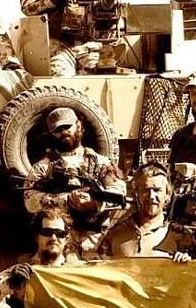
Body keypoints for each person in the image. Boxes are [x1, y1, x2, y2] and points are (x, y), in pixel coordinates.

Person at [24, 107, 126, 258]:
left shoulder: (100, 163)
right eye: (58, 130)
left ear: (78, 125)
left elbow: (119, 191)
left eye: (67, 126)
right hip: (59, 242)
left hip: (95, 242)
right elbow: (29, 200)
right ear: (51, 134)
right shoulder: (43, 167)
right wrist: (65, 200)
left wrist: (94, 204)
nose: (64, 132)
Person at [98, 162, 193, 260]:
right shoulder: (116, 233)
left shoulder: (181, 236)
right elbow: (100, 266)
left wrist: (187, 263)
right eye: (146, 190)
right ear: (136, 193)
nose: (151, 196)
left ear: (167, 194)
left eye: (157, 190)